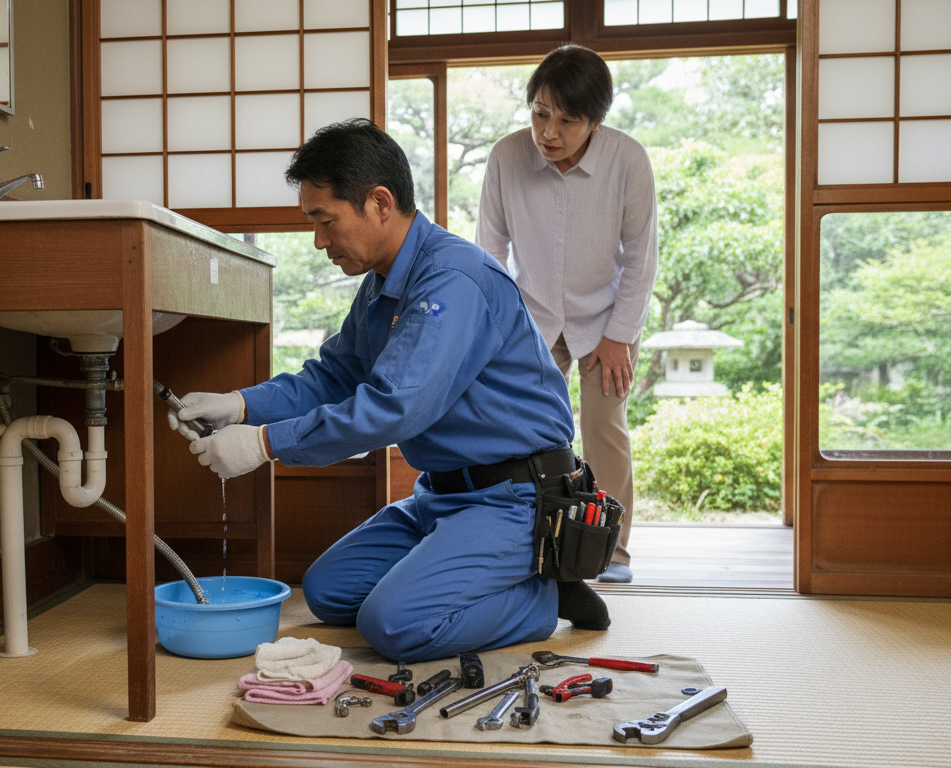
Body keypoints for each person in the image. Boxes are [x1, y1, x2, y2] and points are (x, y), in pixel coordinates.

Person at [170, 118, 614, 662]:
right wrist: (239, 403)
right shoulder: (382, 287)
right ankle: (484, 570)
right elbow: (331, 377)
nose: (319, 241)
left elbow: (392, 407)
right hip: (441, 496)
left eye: (325, 221)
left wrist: (262, 444)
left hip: (515, 499)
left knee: (393, 624)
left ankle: (543, 594)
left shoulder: (453, 279)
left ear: (380, 202)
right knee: (330, 592)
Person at [476, 45, 658, 584]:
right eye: (539, 112)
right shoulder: (507, 157)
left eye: (566, 120)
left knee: (605, 431)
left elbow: (641, 259)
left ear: (595, 122)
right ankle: (538, 545)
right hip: (529, 321)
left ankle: (613, 551)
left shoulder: (627, 161)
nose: (547, 132)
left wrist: (620, 336)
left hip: (607, 320)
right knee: (530, 437)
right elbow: (489, 254)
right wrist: (499, 335)